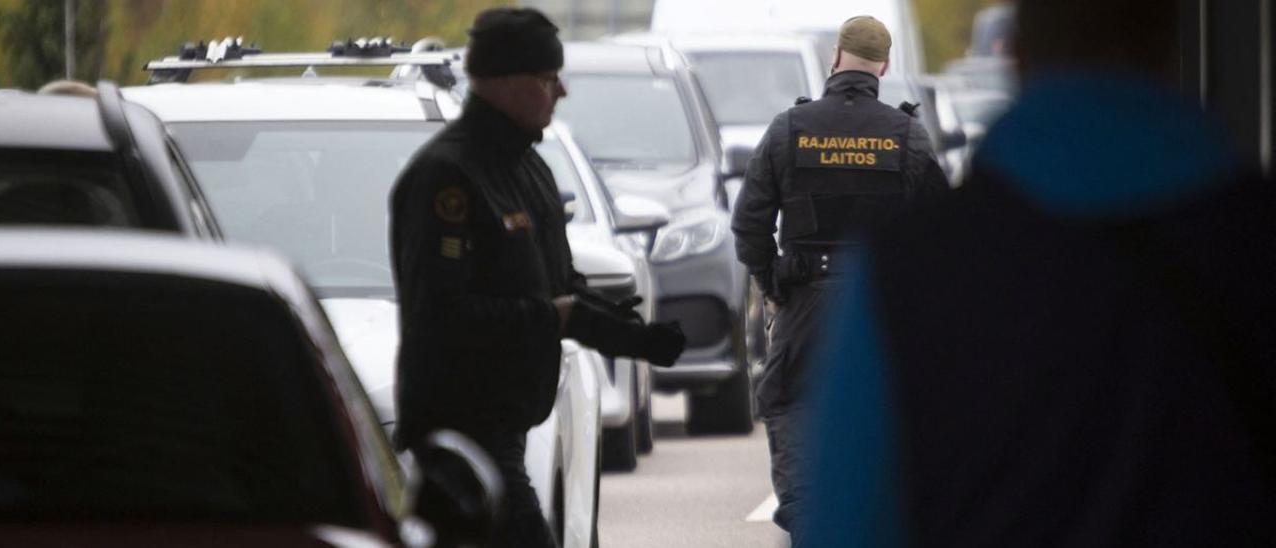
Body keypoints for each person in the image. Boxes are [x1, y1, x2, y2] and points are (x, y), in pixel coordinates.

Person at [805, 0, 1276, 546]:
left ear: (1021, 57)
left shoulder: (905, 272)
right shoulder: (1254, 243)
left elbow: (846, 524)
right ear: (1172, 45)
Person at [389, 8, 685, 547]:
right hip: (459, 441)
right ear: (504, 82)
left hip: (509, 430)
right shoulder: (447, 178)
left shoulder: (529, 170)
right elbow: (444, 317)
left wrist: (628, 334)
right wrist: (558, 314)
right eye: (550, 78)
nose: (562, 91)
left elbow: (557, 289)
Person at [729, 15, 949, 545]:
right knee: (887, 416)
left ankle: (808, 527)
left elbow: (748, 223)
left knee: (792, 406)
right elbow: (944, 232)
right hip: (882, 309)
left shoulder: (789, 130)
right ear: (886, 66)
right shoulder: (907, 136)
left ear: (835, 58)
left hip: (805, 302)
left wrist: (774, 286)